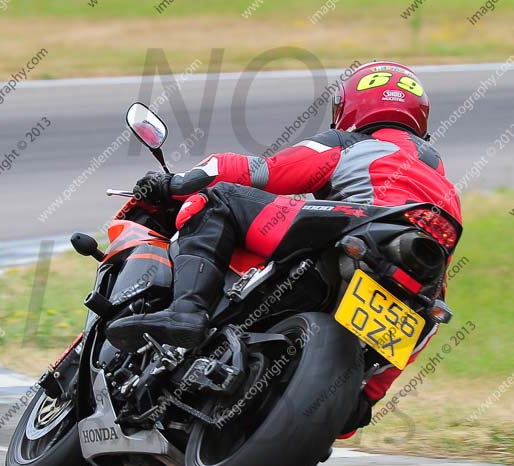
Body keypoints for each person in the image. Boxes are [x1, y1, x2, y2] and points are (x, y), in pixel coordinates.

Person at [106, 61, 462, 433]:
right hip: (415, 269)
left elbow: (263, 171)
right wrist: (365, 397)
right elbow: (428, 315)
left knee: (218, 200)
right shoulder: (445, 187)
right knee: (430, 309)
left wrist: (180, 182)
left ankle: (187, 313)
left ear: (348, 108)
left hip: (354, 226)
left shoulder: (350, 143)